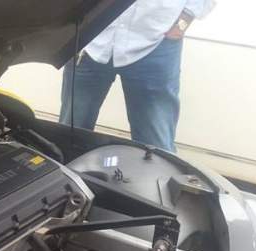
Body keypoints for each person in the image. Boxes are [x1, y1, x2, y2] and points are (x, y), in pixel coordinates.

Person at [60, 0, 215, 152]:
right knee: (70, 134)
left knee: (156, 145)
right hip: (91, 39)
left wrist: (183, 21)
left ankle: (156, 170)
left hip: (155, 41)